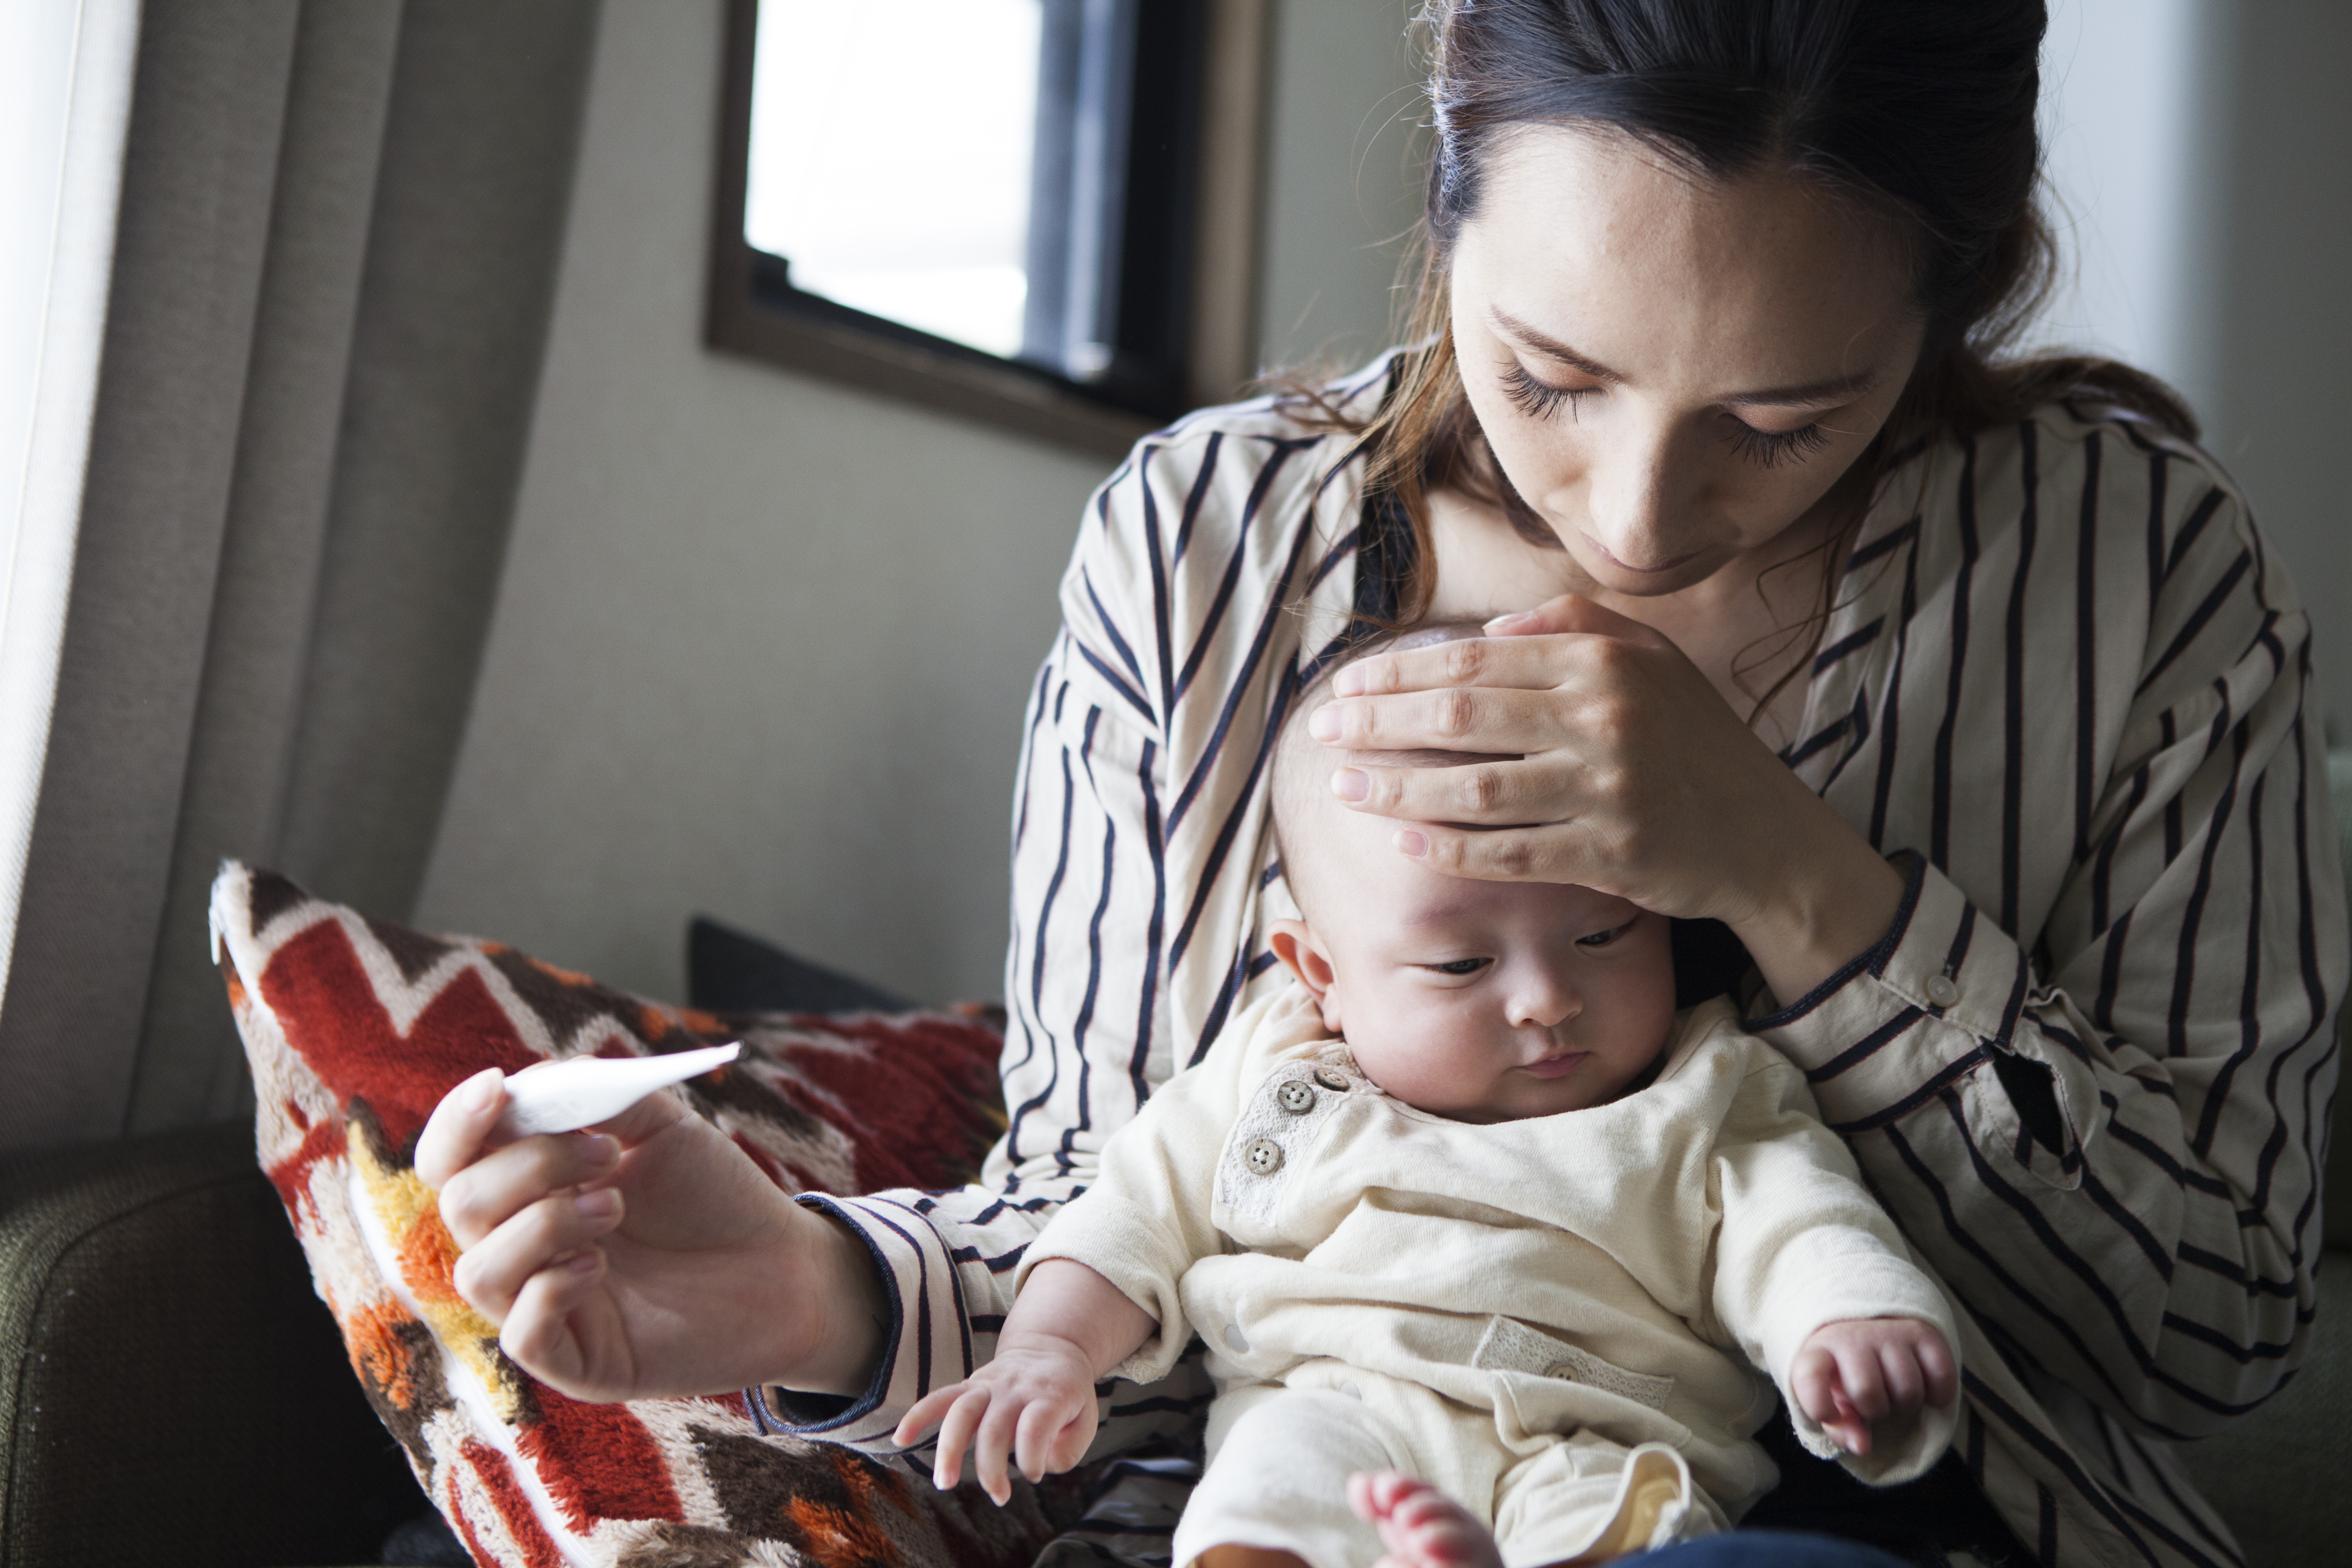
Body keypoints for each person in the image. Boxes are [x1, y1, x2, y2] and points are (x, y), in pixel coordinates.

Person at [416, 3, 2342, 1565]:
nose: (1636, 513)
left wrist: (1784, 873)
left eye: (1782, 423)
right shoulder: (1202, 551)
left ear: (1959, 296)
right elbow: (1122, 1226)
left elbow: (2217, 1328)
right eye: (1552, 373)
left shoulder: (2142, 582)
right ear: (1446, 163)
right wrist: (807, 1293)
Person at [890, 643, 1963, 1568]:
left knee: (1629, 1529)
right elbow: (1127, 1215)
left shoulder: (1709, 1088)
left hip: (1602, 1438)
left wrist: (1851, 1323)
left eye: (1604, 934)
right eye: (1458, 963)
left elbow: (1804, 1223)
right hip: (1337, 1406)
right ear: (1322, 974)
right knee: (1268, 1496)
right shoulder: (1274, 1072)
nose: (1547, 998)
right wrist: (1047, 1350)